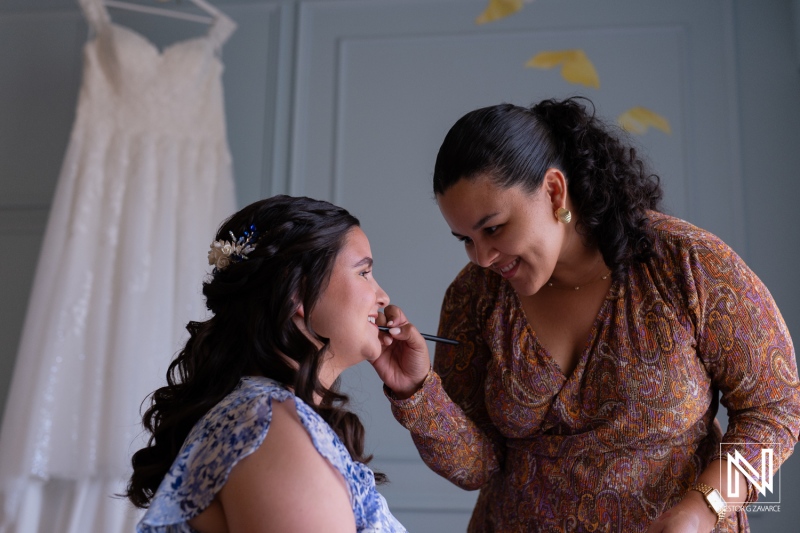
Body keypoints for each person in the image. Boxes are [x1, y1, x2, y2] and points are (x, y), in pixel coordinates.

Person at [384, 97, 800, 532]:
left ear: (554, 191)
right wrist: (415, 390)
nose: (483, 257)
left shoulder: (687, 264)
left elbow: (777, 411)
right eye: (465, 239)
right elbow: (476, 468)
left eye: (493, 229)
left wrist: (704, 507)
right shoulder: (475, 296)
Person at [125, 195, 430, 533]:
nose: (383, 296)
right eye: (364, 272)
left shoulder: (263, 417)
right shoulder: (270, 429)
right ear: (296, 293)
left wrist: (413, 389)